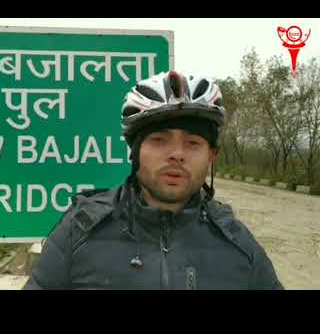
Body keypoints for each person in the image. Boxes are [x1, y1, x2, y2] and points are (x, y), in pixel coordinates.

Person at [23, 70, 284, 290]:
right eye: (159, 140)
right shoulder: (80, 229)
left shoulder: (237, 243)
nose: (176, 155)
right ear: (134, 152)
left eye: (193, 143)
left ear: (211, 157)